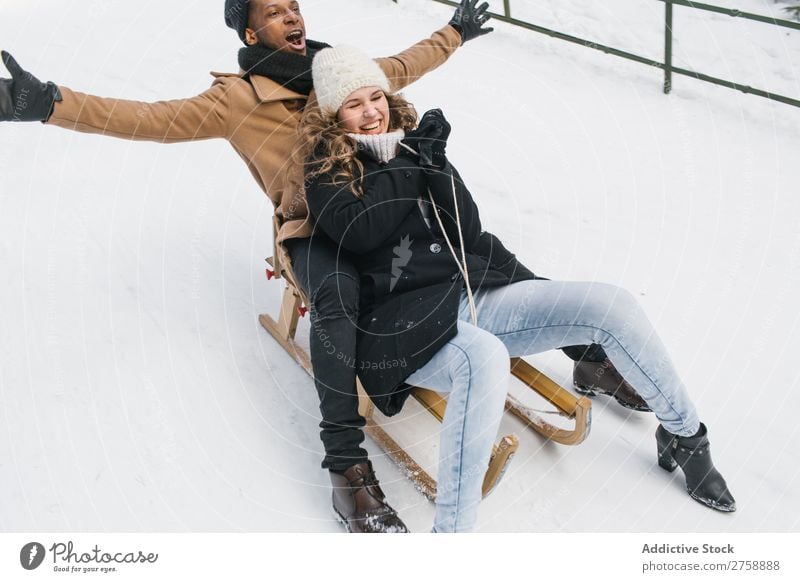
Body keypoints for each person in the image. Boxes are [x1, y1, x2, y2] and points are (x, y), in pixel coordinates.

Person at [0, 0, 644, 533]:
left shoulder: (337, 70)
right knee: (337, 303)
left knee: (484, 249)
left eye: (294, 5)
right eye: (275, 11)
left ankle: (588, 350)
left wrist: (453, 33)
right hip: (319, 232)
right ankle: (347, 470)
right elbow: (151, 120)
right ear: (252, 31)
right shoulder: (237, 99)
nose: (291, 14)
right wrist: (50, 102)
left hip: (384, 202)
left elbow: (399, 66)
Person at [299, 45, 737, 532]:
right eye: (354, 103)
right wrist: (411, 165)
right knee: (483, 356)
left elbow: (467, 229)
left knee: (609, 304)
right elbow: (363, 231)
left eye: (375, 96)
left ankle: (686, 436)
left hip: (469, 293)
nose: (370, 111)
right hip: (404, 324)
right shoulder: (325, 171)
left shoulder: (414, 147)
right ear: (333, 114)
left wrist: (437, 164)